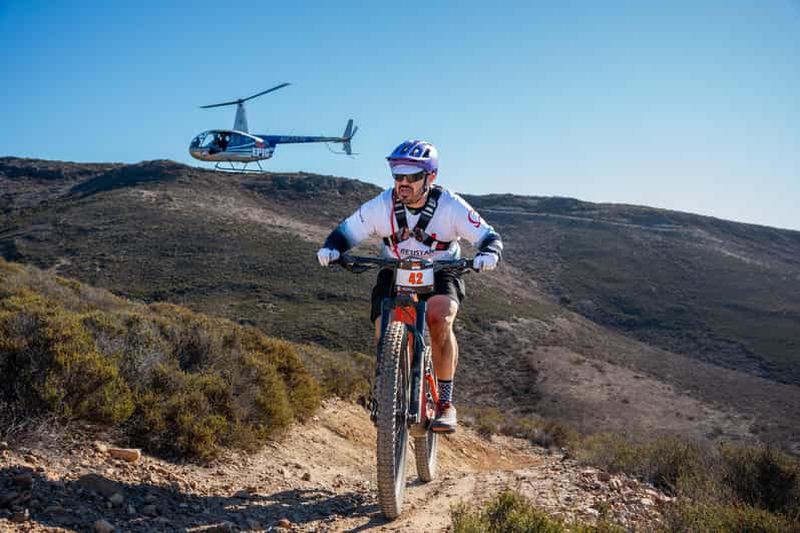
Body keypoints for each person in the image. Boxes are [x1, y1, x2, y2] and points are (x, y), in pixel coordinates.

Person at [317, 140, 503, 433]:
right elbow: (346, 231)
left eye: (411, 177)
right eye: (397, 175)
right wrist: (332, 248)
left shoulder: (450, 205)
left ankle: (444, 402)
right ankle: (389, 394)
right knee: (382, 330)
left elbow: (487, 236)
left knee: (439, 319)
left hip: (441, 268)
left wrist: (489, 254)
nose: (402, 183)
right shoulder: (382, 204)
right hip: (395, 268)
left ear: (430, 177)